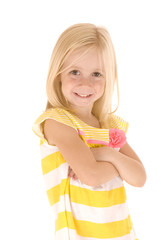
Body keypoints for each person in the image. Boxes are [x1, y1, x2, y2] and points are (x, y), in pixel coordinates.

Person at [32, 23, 146, 240]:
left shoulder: (109, 124)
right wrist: (120, 164)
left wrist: (107, 154)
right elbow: (91, 176)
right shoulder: (57, 122)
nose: (86, 83)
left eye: (96, 74)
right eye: (75, 72)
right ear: (58, 74)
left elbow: (139, 177)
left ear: (108, 78)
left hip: (121, 233)